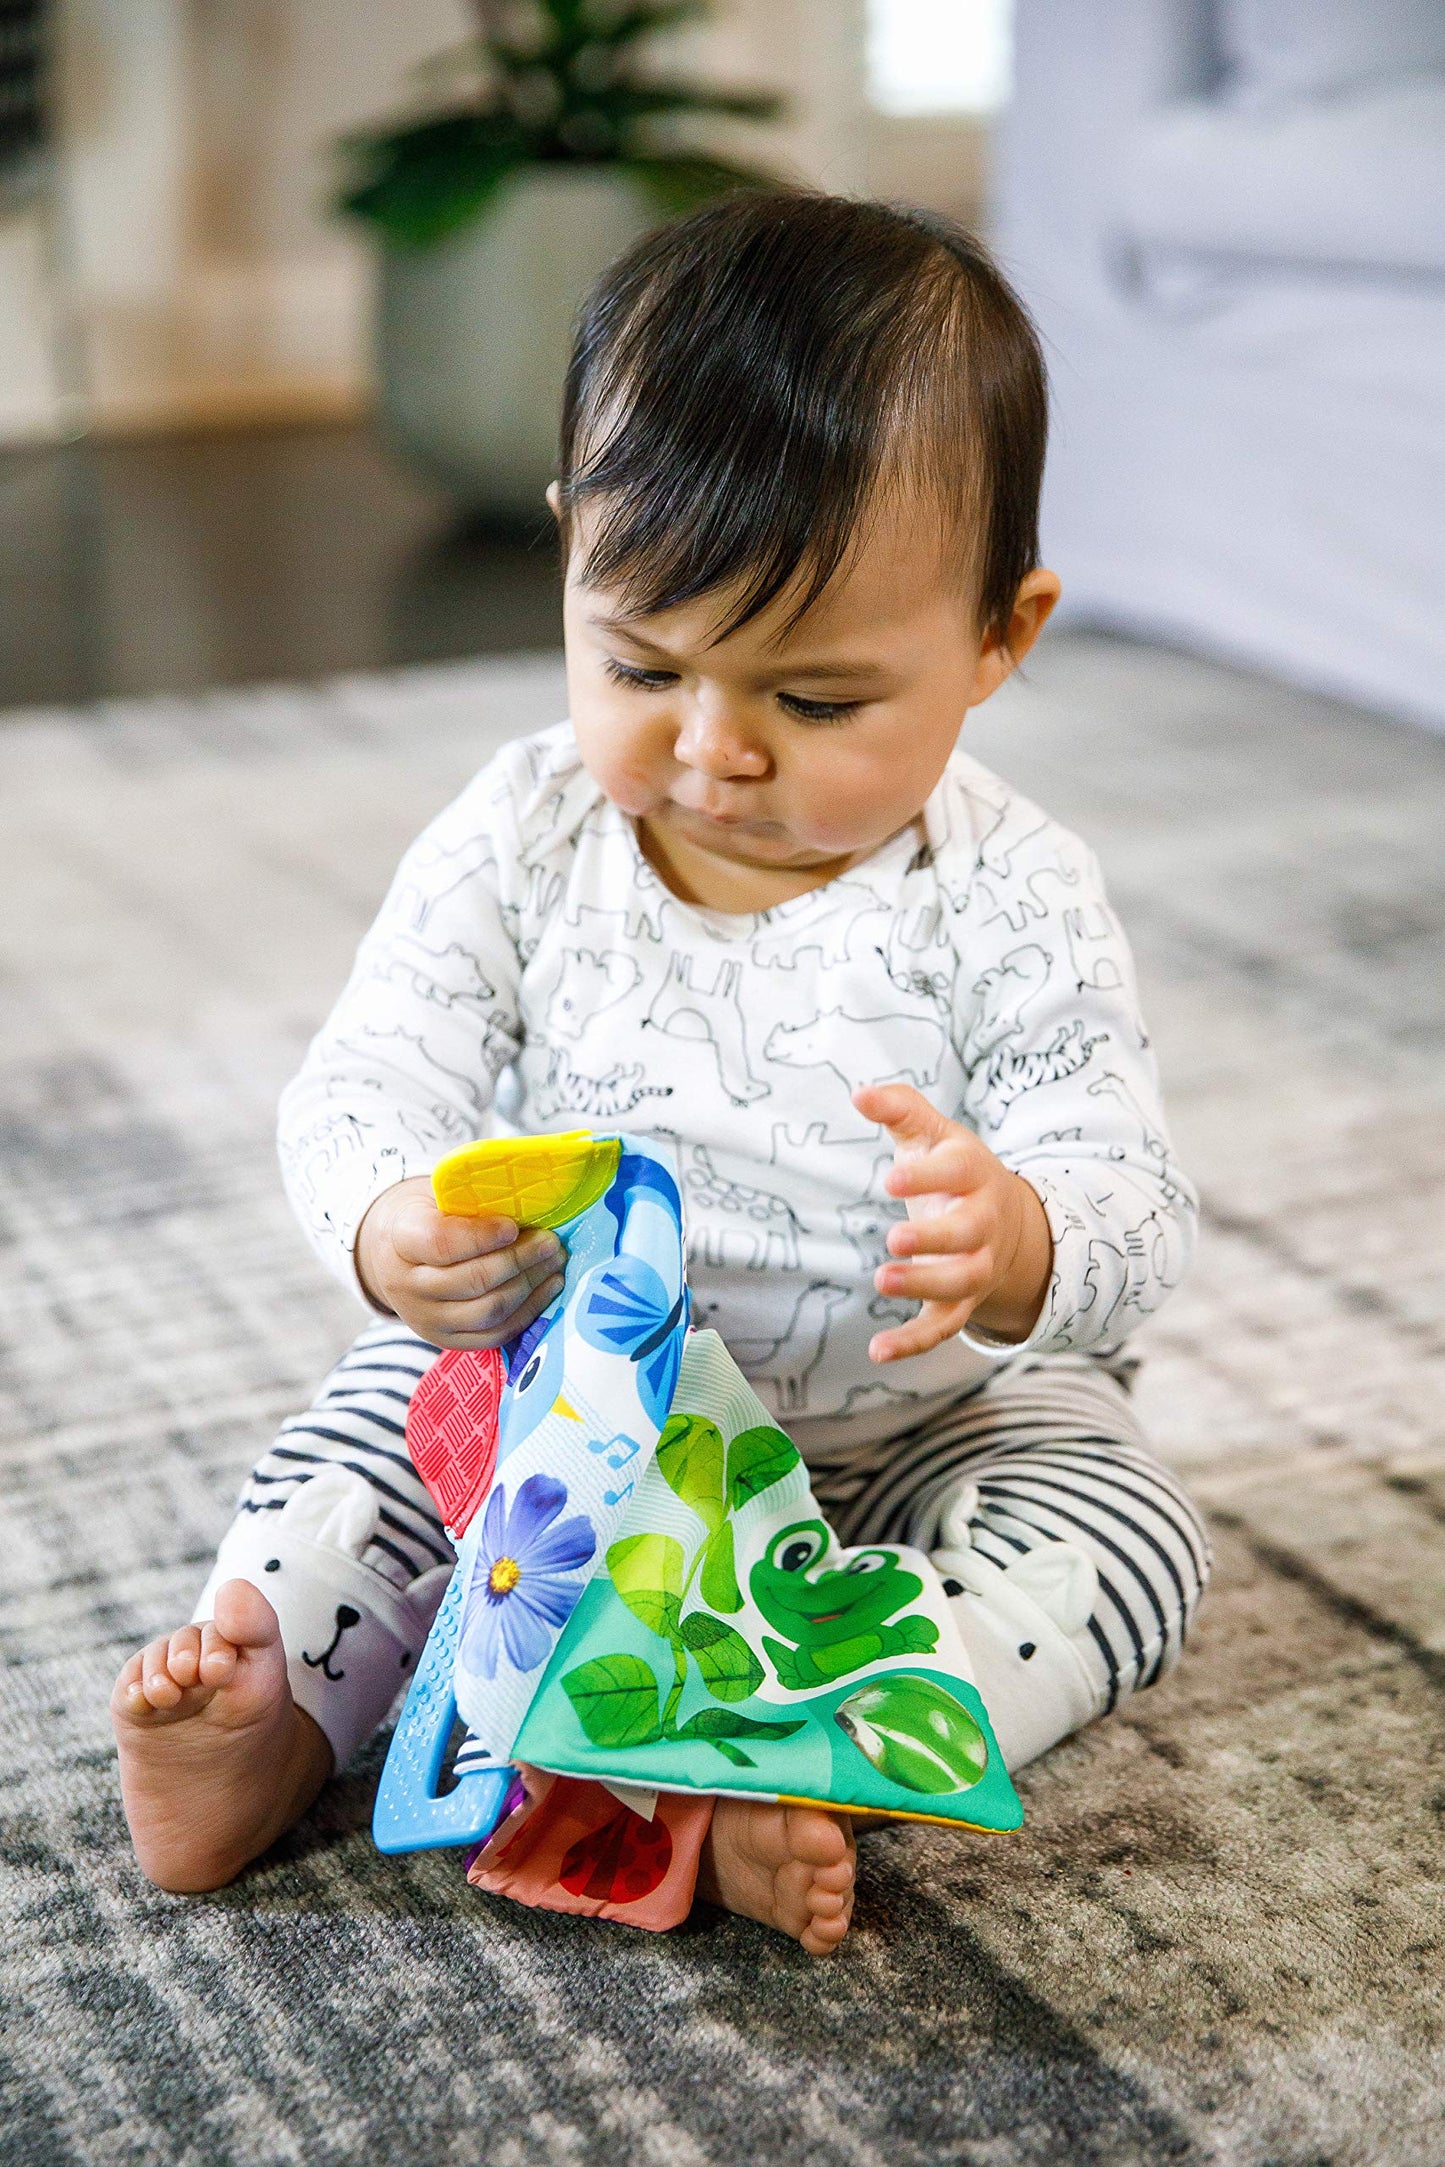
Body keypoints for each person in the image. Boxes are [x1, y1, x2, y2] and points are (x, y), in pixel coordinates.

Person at [111, 191, 1209, 1956]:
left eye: (820, 699)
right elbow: (366, 1077)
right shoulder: (524, 836)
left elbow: (1136, 1202)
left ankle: (813, 1747)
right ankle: (273, 1708)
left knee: (1124, 1536)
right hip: (568, 1432)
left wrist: (1019, 1239)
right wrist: (394, 1218)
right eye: (641, 662)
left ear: (1001, 635)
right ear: (567, 554)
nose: (711, 751)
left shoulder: (1011, 895)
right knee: (374, 1441)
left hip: (922, 1430)